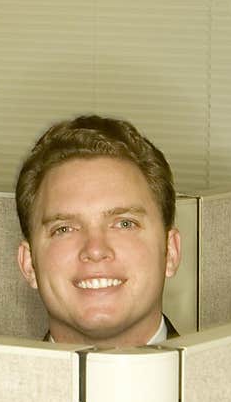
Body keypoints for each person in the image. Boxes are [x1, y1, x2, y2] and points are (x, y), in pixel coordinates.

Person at [15, 114, 182, 347]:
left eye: (124, 224)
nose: (95, 250)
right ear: (29, 264)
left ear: (170, 252)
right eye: (64, 229)